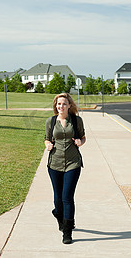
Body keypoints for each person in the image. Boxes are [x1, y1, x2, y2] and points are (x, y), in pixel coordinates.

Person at [45, 93, 86, 244]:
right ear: (56, 106)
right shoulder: (51, 121)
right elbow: (47, 137)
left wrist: (80, 142)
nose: (60, 106)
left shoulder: (76, 120)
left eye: (63, 104)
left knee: (67, 197)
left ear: (69, 105)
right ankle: (58, 214)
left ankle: (67, 233)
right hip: (54, 163)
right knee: (58, 198)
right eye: (58, 104)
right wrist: (48, 144)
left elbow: (83, 136)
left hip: (73, 163)